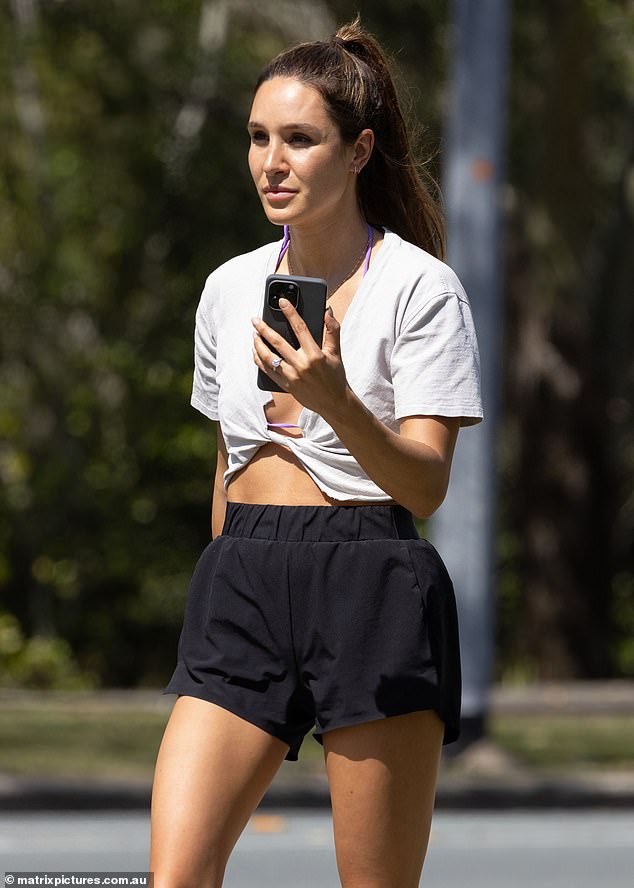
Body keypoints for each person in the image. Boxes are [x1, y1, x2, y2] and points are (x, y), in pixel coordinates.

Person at [150, 15, 483, 888]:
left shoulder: (421, 288)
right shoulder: (226, 288)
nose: (272, 161)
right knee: (176, 876)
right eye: (259, 138)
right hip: (243, 580)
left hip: (368, 581)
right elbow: (226, 460)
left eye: (300, 140)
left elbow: (427, 484)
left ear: (359, 150)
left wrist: (334, 399)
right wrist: (224, 565)